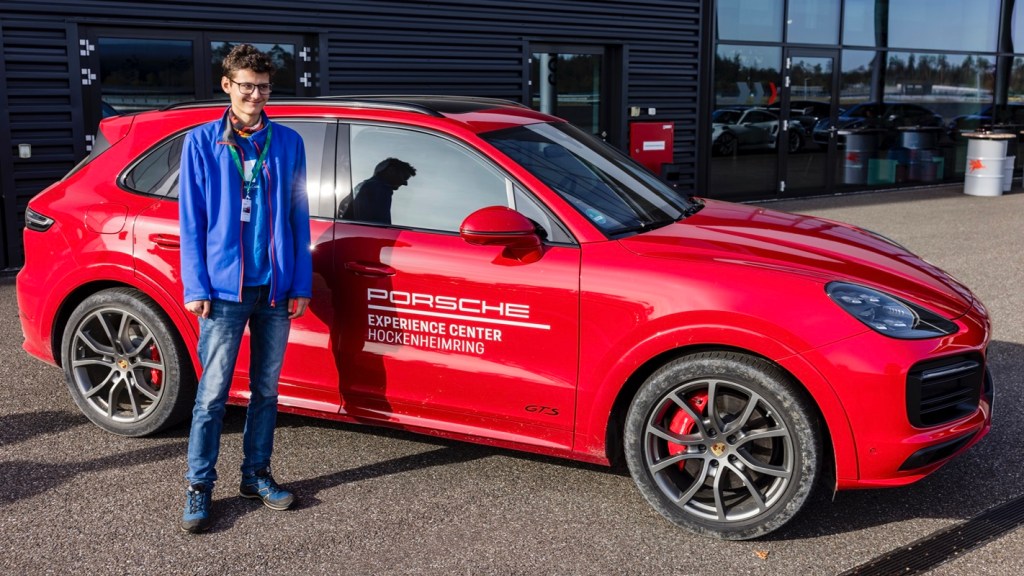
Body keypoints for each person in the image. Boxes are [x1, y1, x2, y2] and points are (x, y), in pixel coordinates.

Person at [177, 43, 312, 533]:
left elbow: (299, 215)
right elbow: (191, 221)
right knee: (212, 395)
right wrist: (196, 284)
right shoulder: (201, 143)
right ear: (227, 85)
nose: (255, 95)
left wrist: (300, 282)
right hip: (222, 291)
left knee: (266, 391)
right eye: (247, 86)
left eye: (264, 87)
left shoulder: (288, 142)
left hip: (274, 288)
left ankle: (256, 475)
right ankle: (199, 484)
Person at [343, 157, 416, 224]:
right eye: (404, 177)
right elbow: (381, 225)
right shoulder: (381, 188)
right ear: (391, 171)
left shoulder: (362, 186)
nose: (405, 183)